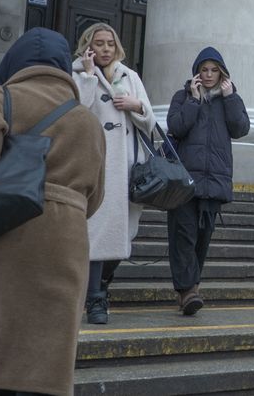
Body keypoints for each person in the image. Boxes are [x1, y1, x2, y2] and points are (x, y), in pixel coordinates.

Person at [0, 27, 105, 395]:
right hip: (63, 244)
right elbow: (94, 198)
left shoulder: (1, 98)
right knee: (47, 356)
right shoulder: (87, 120)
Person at [73, 22, 158, 324]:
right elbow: (76, 113)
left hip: (128, 168)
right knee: (97, 232)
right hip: (97, 165)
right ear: (88, 45)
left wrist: (136, 105)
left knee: (122, 236)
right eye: (99, 43)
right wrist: (85, 75)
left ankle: (101, 285)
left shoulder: (129, 76)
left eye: (110, 43)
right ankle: (95, 300)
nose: (106, 49)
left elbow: (150, 123)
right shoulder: (79, 74)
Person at [165, 46, 250, 315]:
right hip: (184, 180)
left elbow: (240, 129)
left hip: (214, 182)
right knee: (183, 237)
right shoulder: (182, 97)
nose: (209, 74)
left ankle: (190, 289)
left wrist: (231, 98)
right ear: (197, 73)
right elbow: (176, 127)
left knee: (202, 238)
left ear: (222, 73)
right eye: (205, 69)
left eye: (214, 70)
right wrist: (193, 99)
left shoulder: (230, 99)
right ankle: (188, 291)